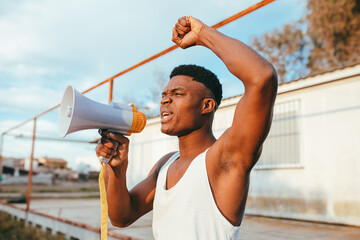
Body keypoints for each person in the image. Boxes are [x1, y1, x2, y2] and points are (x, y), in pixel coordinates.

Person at [96, 16, 277, 240]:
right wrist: (118, 168)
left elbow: (262, 77)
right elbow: (122, 216)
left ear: (207, 106)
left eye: (177, 94)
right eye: (164, 95)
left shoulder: (224, 157)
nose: (165, 100)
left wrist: (203, 35)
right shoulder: (166, 163)